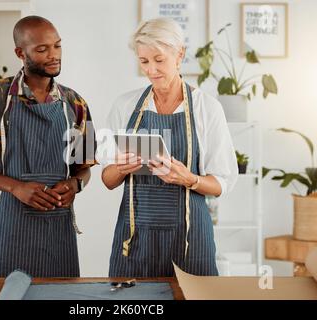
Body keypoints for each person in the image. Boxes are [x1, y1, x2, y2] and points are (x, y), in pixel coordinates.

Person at [0, 16, 96, 278]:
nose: (54, 55)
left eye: (57, 46)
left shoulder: (76, 103)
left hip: (58, 231)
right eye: (42, 49)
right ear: (21, 53)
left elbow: (84, 168)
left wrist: (74, 186)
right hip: (10, 226)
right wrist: (16, 187)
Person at [100, 18, 238, 277]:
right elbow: (107, 180)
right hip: (135, 240)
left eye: (159, 60)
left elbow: (222, 184)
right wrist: (120, 168)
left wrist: (190, 179)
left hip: (190, 242)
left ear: (180, 54)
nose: (151, 70)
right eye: (144, 62)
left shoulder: (206, 108)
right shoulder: (124, 105)